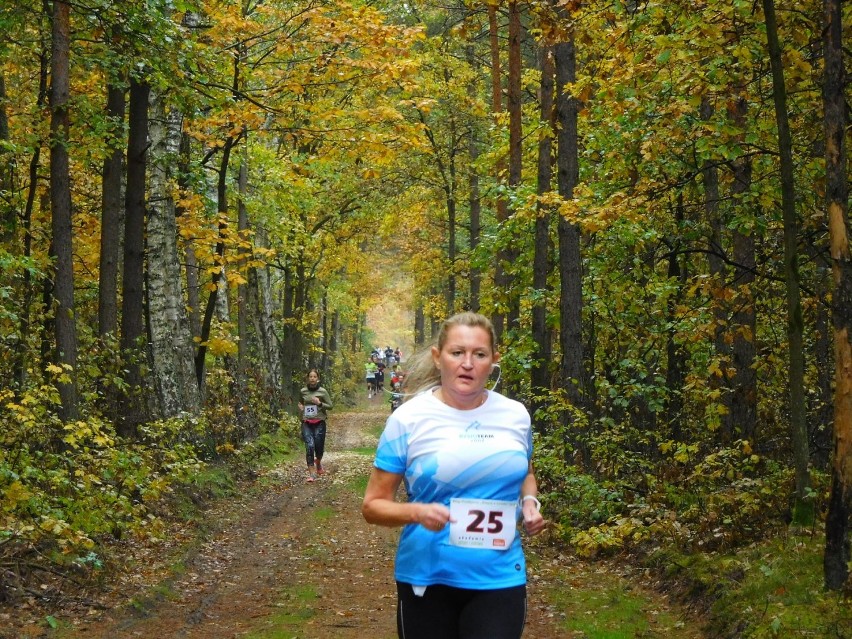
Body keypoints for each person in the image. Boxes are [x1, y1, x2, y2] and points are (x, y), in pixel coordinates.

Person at [362, 312, 545, 639]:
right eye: (457, 352)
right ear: (438, 357)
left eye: (479, 354)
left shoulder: (515, 415)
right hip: (428, 576)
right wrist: (416, 512)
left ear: (494, 360)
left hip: (499, 575)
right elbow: (373, 506)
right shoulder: (408, 419)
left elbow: (524, 470)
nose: (468, 363)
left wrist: (530, 502)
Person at [297, 369, 333, 482]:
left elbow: (330, 406)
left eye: (314, 376)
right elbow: (300, 403)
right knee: (309, 445)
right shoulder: (303, 391)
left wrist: (320, 403)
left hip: (319, 421)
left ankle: (318, 462)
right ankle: (312, 474)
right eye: (310, 377)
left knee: (318, 446)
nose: (312, 378)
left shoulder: (323, 391)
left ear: (318, 379)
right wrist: (301, 408)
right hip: (306, 422)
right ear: (308, 378)